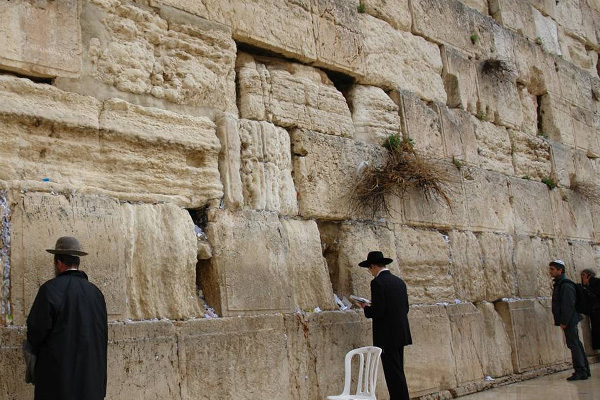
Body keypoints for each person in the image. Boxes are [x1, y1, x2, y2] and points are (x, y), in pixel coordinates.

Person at [26, 236, 108, 399]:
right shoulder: (96, 293)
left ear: (58, 263)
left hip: (58, 385)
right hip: (91, 383)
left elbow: (35, 333)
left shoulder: (50, 290)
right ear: (77, 263)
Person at [357, 251, 412, 400]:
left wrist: (366, 308)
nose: (370, 272)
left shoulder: (377, 282)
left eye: (369, 269)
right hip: (401, 333)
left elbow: (378, 311)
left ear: (373, 266)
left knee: (392, 375)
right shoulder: (399, 282)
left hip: (387, 336)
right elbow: (404, 308)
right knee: (398, 372)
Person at [549, 259, 590, 381]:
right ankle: (584, 370)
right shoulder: (561, 284)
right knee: (576, 344)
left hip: (569, 320)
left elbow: (568, 305)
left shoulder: (566, 285)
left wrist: (564, 321)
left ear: (560, 270)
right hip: (569, 320)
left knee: (573, 345)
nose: (550, 271)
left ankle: (580, 371)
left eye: (552, 269)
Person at [580, 268, 600, 350]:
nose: (582, 277)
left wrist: (586, 286)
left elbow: (595, 294)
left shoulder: (596, 282)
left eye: (583, 275)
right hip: (594, 310)